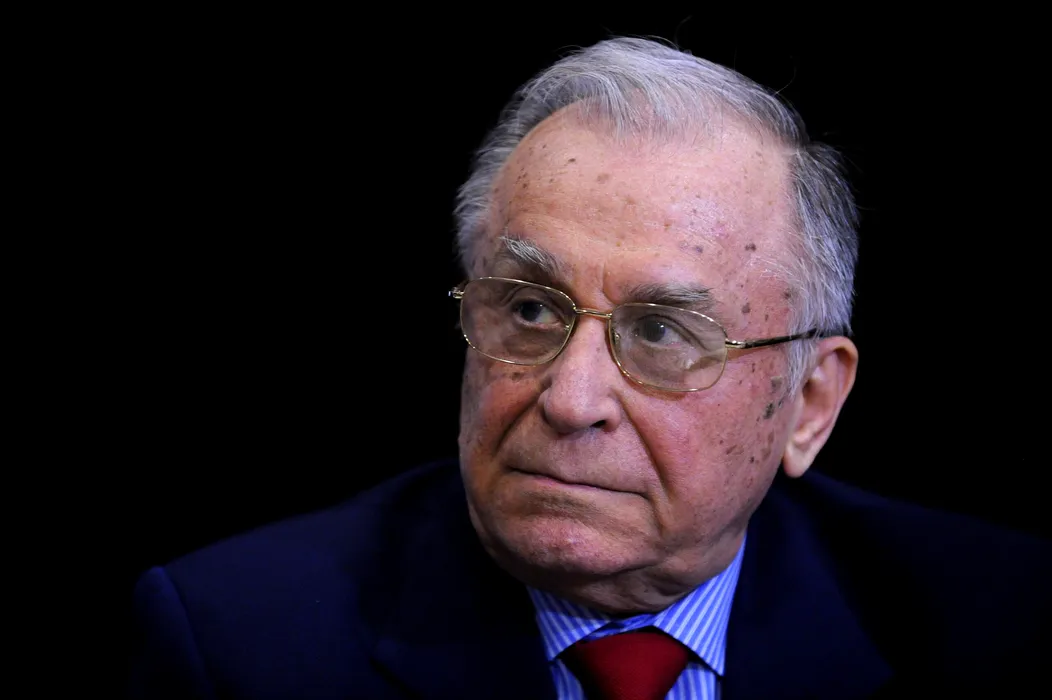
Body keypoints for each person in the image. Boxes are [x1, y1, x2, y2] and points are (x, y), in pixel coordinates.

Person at [129, 37, 1050, 699]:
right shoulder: (236, 645)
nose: (570, 402)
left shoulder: (1003, 622)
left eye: (661, 333)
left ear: (809, 403)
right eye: (531, 310)